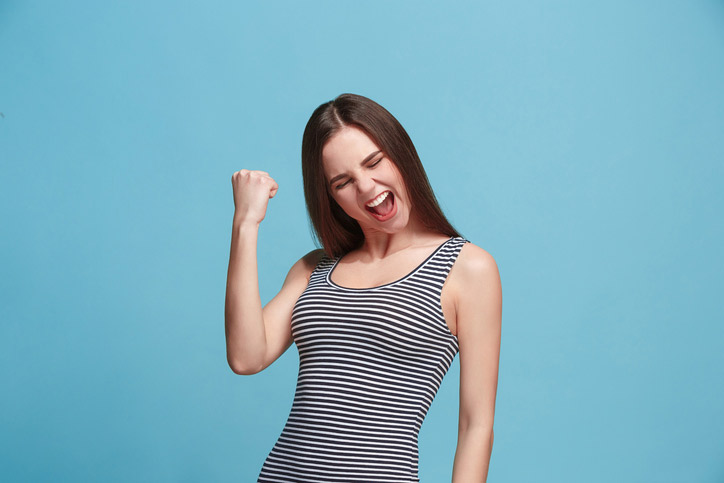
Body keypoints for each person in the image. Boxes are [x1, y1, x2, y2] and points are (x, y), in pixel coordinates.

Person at [225, 93, 502, 482]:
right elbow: (245, 357)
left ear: (400, 153)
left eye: (374, 162)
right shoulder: (315, 267)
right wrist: (246, 223)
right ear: (331, 197)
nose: (367, 187)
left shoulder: (467, 268)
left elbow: (476, 426)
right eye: (343, 182)